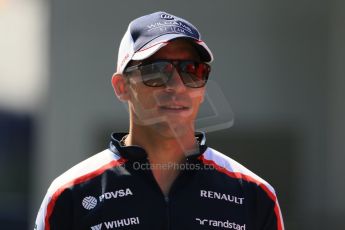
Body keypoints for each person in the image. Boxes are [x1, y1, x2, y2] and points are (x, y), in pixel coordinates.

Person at [35, 11, 284, 230]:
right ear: (122, 87)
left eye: (191, 70)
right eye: (157, 70)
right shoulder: (69, 194)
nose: (177, 86)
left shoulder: (254, 194)